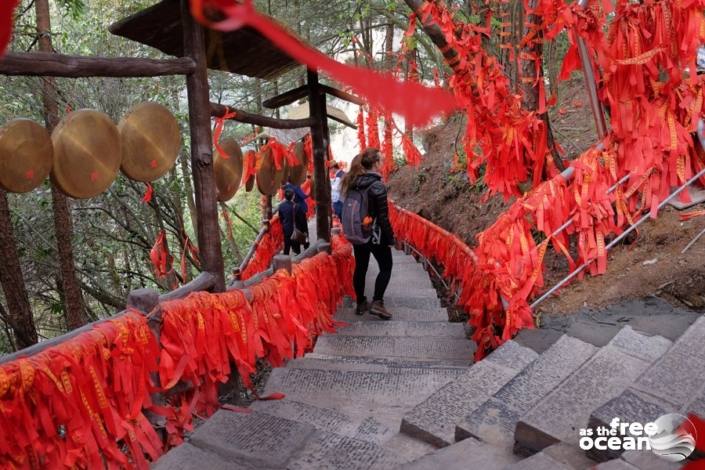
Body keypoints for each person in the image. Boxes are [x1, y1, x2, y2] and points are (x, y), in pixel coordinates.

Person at [340, 148, 394, 320]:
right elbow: (383, 217)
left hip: (358, 233)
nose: (383, 163)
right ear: (376, 163)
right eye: (381, 160)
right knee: (386, 267)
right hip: (375, 234)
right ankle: (377, 302)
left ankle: (361, 303)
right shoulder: (377, 185)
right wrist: (390, 238)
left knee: (361, 267)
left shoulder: (353, 182)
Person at [279, 189, 308, 255]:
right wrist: (304, 231)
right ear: (293, 196)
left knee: (287, 246)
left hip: (286, 229)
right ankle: (297, 259)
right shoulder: (297, 207)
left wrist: (284, 225)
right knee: (296, 248)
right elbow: (302, 220)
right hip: (296, 229)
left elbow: (281, 218)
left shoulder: (281, 206)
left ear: (285, 197)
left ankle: (285, 260)